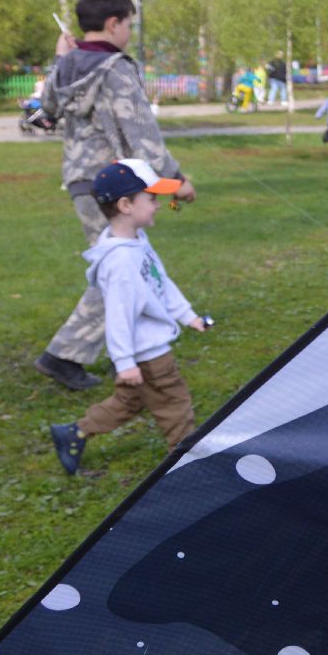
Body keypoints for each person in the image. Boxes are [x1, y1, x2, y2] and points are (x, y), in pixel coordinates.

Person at [36, 0, 196, 391]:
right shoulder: (115, 69)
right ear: (112, 24)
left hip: (80, 179)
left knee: (123, 264)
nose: (129, 32)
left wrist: (61, 58)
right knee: (120, 268)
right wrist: (175, 181)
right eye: (128, 25)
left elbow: (48, 107)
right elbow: (141, 132)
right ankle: (64, 355)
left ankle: (126, 350)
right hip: (113, 184)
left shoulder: (68, 64)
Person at [48, 159, 207, 475]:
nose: (158, 205)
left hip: (144, 351)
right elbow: (118, 317)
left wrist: (188, 316)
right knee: (175, 406)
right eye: (151, 198)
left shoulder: (136, 242)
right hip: (149, 352)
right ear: (125, 205)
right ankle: (185, 466)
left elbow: (160, 281)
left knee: (129, 402)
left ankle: (74, 433)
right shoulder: (120, 263)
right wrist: (125, 363)